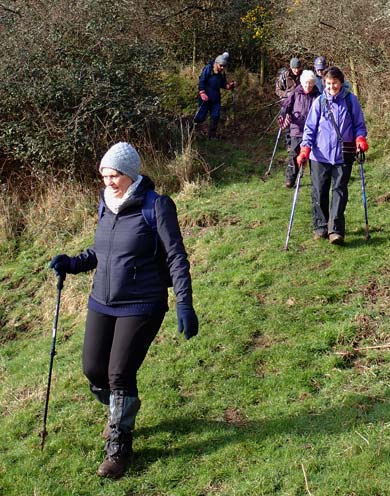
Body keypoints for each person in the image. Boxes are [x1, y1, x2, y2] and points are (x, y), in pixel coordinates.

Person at [49, 142, 198, 479]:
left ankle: (119, 446)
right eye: (104, 176)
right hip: (102, 300)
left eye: (114, 175)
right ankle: (121, 407)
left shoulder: (156, 206)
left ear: (130, 174)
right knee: (93, 369)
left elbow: (176, 257)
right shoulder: (106, 205)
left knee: (119, 373)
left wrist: (184, 304)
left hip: (143, 302)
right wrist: (71, 263)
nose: (109, 181)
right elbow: (101, 252)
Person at [296, 66, 369, 245]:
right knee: (319, 191)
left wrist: (360, 139)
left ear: (341, 83)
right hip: (319, 155)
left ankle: (335, 230)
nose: (331, 87)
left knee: (339, 191)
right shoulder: (319, 102)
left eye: (334, 83)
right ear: (324, 84)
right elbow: (310, 128)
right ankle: (320, 225)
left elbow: (359, 125)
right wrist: (305, 149)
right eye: (328, 84)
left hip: (344, 154)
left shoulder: (351, 101)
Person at [278, 70, 319, 188]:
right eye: (306, 83)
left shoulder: (317, 95)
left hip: (313, 131)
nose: (308, 86)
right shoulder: (295, 93)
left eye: (311, 83)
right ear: (302, 82)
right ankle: (290, 179)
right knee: (294, 155)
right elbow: (286, 105)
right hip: (297, 129)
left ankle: (316, 180)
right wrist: (283, 114)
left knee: (313, 157)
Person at [194, 51, 236, 140]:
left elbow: (223, 84)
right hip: (205, 98)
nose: (222, 68)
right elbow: (202, 81)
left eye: (224, 66)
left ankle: (212, 136)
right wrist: (202, 93)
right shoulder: (208, 69)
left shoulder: (221, 73)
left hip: (216, 98)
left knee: (215, 116)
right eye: (221, 66)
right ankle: (193, 133)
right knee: (200, 117)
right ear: (216, 63)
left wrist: (229, 85)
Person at [275, 57, 303, 150]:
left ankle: (300, 141)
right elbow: (277, 90)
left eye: (298, 68)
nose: (296, 70)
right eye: (294, 68)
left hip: (299, 102)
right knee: (286, 122)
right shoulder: (284, 76)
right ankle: (289, 143)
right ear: (291, 67)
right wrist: (286, 94)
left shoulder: (303, 75)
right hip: (287, 102)